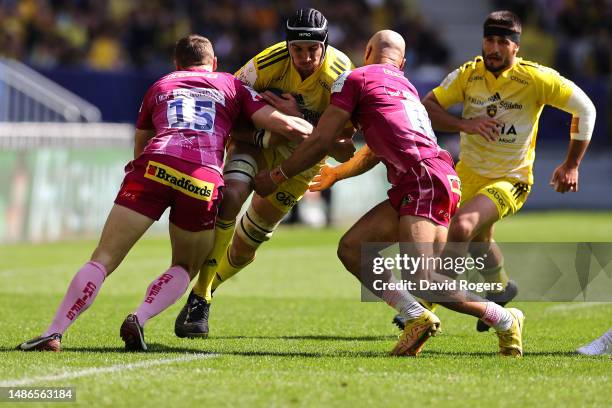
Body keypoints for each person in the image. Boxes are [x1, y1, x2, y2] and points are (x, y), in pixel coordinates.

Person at [17, 34, 313, 352]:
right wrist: (318, 129)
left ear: (176, 63)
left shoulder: (161, 85)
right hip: (202, 178)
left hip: (154, 166)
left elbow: (141, 144)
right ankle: (139, 317)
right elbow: (286, 126)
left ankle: (54, 331)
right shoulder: (230, 84)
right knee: (185, 266)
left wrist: (140, 176)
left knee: (102, 259)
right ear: (213, 63)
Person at [315, 10, 596, 333]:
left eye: (502, 42)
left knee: (462, 227)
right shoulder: (468, 75)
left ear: (516, 47)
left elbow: (585, 108)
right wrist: (465, 124)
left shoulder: (536, 78)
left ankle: (430, 301)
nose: (493, 48)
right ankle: (501, 288)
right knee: (479, 238)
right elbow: (428, 107)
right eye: (489, 40)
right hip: (464, 174)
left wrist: (571, 163)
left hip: (511, 178)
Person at [254, 30, 525, 357]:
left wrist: (279, 174)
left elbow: (324, 141)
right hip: (433, 176)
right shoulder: (406, 88)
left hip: (422, 178)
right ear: (403, 63)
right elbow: (359, 150)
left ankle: (505, 319)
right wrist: (337, 172)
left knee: (425, 281)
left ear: (366, 51)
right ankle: (416, 316)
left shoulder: (356, 78)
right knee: (352, 249)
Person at [174, 8, 355, 338]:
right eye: (297, 49)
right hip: (258, 142)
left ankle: (205, 288)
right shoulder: (265, 64)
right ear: (287, 45)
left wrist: (299, 117)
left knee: (245, 247)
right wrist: (266, 133)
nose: (304, 57)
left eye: (312, 49)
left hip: (303, 158)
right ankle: (201, 298)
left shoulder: (342, 75)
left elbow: (344, 149)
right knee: (232, 195)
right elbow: (227, 109)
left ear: (325, 45)